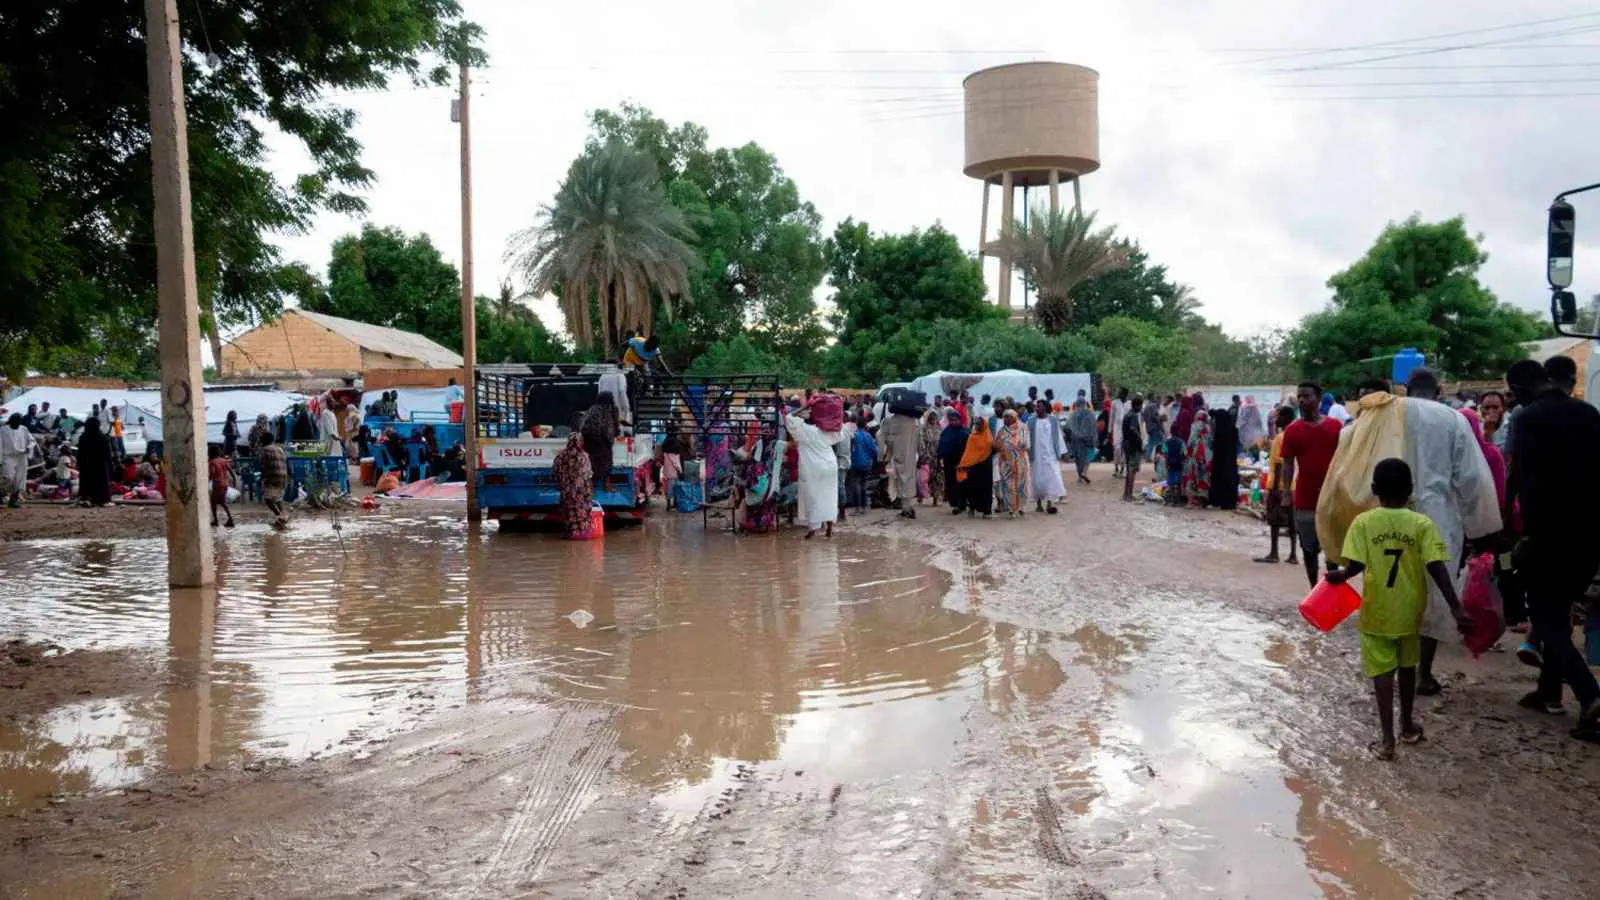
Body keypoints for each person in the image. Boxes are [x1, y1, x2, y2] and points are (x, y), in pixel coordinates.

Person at [1326, 458, 1467, 761]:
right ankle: (1407, 725)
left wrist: (1341, 576)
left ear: (1374, 489)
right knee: (1407, 668)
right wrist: (1456, 607)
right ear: (1411, 490)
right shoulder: (1422, 524)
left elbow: (1357, 566)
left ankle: (1387, 740)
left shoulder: (1364, 523)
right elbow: (1437, 567)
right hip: (1409, 611)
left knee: (1381, 672)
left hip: (1377, 610)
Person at [1503, 359, 1600, 739]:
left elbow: (1528, 480)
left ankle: (1590, 697)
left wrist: (1521, 532)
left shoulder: (1528, 418)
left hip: (1550, 533)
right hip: (1589, 534)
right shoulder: (1589, 413)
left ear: (1520, 389)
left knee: (1545, 617)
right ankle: (1548, 691)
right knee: (1558, 610)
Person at [1279, 383, 1343, 588]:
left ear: (1318, 398)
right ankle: (1313, 589)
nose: (1302, 401)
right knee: (1308, 548)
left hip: (1332, 498)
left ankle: (1330, 591)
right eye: (1299, 397)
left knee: (1332, 551)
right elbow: (1288, 463)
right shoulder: (1292, 431)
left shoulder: (1335, 427)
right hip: (1305, 499)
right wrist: (1286, 492)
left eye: (1306, 396)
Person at [786, 408, 847, 539]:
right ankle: (829, 530)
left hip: (812, 468)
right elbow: (840, 431)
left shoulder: (802, 430)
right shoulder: (825, 431)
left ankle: (812, 530)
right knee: (829, 497)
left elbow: (789, 418)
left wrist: (804, 407)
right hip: (829, 466)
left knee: (813, 498)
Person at [1255, 406, 1299, 565]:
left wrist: (1269, 487)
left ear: (1285, 419)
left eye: (1278, 417)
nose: (1275, 420)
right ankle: (1293, 554)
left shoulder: (1280, 438)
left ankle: (1274, 552)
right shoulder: (1297, 434)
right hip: (1294, 485)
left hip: (1279, 484)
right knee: (1292, 521)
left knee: (1274, 520)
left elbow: (1276, 464)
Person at [553, 432, 595, 539]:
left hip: (566, 491)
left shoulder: (560, 456)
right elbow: (588, 474)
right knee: (582, 513)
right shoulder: (583, 456)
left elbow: (555, 472)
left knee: (568, 512)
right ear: (579, 442)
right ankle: (581, 537)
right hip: (581, 492)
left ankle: (570, 535)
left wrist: (562, 483)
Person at [881, 407, 921, 519]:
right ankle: (908, 507)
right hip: (912, 456)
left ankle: (906, 509)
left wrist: (883, 456)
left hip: (897, 456)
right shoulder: (913, 421)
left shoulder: (889, 420)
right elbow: (919, 438)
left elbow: (885, 439)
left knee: (898, 481)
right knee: (909, 481)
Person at [1029, 399, 1066, 513]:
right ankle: (1039, 504)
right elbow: (1027, 438)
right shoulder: (1031, 421)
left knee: (1052, 476)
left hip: (1051, 454)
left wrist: (1063, 452)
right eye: (1036, 407)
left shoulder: (1053, 420)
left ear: (1045, 407)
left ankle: (1050, 503)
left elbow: (1058, 436)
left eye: (1039, 406)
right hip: (1036, 455)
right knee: (1037, 478)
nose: (1037, 408)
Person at [956, 417, 995, 518]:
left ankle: (987, 511)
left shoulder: (989, 438)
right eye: (976, 424)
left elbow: (992, 451)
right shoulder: (972, 437)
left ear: (984, 425)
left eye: (980, 424)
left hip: (986, 467)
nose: (978, 426)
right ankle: (972, 508)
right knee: (972, 488)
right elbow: (968, 453)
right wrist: (963, 464)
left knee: (986, 489)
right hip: (973, 467)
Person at [994, 409, 1030, 518]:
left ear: (1014, 417)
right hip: (1005, 462)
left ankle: (1021, 507)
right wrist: (1002, 446)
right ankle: (1011, 508)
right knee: (1008, 485)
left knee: (1021, 485)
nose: (1006, 419)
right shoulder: (1001, 431)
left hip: (1020, 461)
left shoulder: (1023, 428)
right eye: (1005, 417)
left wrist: (1015, 446)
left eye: (1009, 417)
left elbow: (1026, 444)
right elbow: (996, 444)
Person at [580, 392, 620, 489]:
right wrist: (612, 436)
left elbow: (583, 426)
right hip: (603, 441)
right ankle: (606, 485)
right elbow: (610, 427)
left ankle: (591, 487)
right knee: (606, 464)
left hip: (589, 442)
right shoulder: (610, 410)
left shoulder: (591, 409)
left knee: (591, 464)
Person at [75, 417, 114, 507]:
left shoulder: (83, 437)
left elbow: (80, 453)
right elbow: (108, 454)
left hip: (87, 465)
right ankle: (101, 500)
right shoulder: (102, 438)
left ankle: (86, 498)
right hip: (100, 466)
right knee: (101, 482)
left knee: (86, 482)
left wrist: (80, 463)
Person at [2, 413, 39, 508]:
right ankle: (2, 493)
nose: (18, 424)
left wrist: (28, 447)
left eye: (19, 422)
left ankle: (13, 500)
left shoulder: (24, 429)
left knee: (19, 478)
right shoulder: (3, 430)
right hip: (8, 457)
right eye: (16, 421)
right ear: (11, 421)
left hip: (21, 457)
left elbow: (32, 441)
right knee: (9, 477)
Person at [937, 409, 970, 513]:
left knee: (961, 483)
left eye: (955, 420)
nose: (953, 422)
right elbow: (942, 445)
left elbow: (969, 448)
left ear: (959, 420)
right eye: (951, 420)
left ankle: (962, 504)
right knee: (951, 483)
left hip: (961, 462)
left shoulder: (965, 432)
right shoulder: (946, 432)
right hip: (949, 462)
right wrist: (939, 457)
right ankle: (955, 504)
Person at [1208, 405, 1240, 510]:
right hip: (1230, 462)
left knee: (1221, 479)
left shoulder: (1220, 432)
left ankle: (1219, 500)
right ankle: (1229, 502)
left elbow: (1215, 447)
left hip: (1221, 463)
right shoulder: (1233, 430)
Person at [257, 432, 290, 528]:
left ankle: (280, 517)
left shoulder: (264, 450)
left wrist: (261, 479)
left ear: (263, 441)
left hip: (272, 476)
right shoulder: (279, 449)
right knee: (277, 498)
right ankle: (283, 516)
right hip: (283, 476)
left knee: (268, 499)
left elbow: (264, 466)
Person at [1181, 410, 1213, 507]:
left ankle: (1190, 501)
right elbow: (1210, 443)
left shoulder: (1194, 425)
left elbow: (1191, 441)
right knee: (1203, 476)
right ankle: (1202, 500)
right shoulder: (1207, 427)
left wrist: (1187, 453)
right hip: (1205, 456)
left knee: (1192, 476)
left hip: (1194, 454)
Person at [846, 416, 877, 513]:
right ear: (865, 425)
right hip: (866, 464)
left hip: (855, 464)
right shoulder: (868, 436)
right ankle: (863, 508)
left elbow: (850, 449)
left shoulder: (854, 436)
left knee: (855, 485)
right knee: (863, 485)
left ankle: (857, 508)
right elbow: (874, 450)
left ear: (856, 424)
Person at [1066, 396, 1096, 484]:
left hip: (1075, 439)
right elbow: (1093, 426)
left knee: (1078, 458)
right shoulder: (1089, 413)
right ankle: (1084, 473)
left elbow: (1067, 427)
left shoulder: (1073, 414)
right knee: (1087, 456)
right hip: (1086, 438)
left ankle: (1079, 476)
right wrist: (1093, 438)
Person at [1121, 396, 1144, 502]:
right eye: (1140, 406)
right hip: (1133, 445)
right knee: (1132, 469)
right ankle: (1128, 494)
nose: (1141, 408)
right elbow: (1133, 428)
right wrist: (1139, 439)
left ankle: (1126, 493)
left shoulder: (1127, 415)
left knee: (1129, 468)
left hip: (1126, 444)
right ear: (1137, 405)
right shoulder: (1133, 416)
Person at [207, 445, 235, 528]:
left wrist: (207, 479)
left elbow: (212, 473)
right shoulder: (223, 460)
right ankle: (230, 519)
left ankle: (215, 521)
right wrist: (234, 480)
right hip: (225, 484)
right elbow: (230, 470)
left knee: (213, 503)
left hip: (217, 484)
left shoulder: (212, 462)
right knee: (222, 502)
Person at [1110, 389, 1130, 478]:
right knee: (1117, 449)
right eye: (1119, 393)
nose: (1119, 394)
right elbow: (1111, 417)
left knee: (1125, 450)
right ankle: (1116, 468)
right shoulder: (1114, 403)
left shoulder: (1129, 404)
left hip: (1127, 430)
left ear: (1125, 394)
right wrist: (1109, 431)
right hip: (1117, 429)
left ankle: (1123, 469)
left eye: (1121, 393)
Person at [1141, 392, 1165, 462]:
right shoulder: (1153, 406)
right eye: (1159, 400)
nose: (1160, 402)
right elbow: (1155, 417)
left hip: (1148, 428)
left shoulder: (1146, 406)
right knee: (1162, 441)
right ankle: (1162, 456)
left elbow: (1144, 417)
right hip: (1155, 428)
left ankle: (1148, 457)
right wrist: (1161, 427)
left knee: (1151, 443)